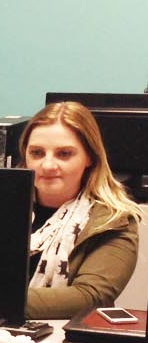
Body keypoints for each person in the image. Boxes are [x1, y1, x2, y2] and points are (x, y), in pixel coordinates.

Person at [21, 101, 141, 320]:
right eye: (37, 153)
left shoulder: (113, 220)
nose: (47, 165)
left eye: (64, 154)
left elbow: (91, 296)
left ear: (89, 157)